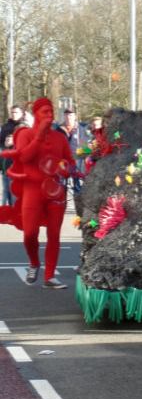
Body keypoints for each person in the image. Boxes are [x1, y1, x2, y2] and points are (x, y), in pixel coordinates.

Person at [0, 98, 74, 289]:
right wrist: (39, 136)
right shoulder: (25, 134)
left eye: (51, 112)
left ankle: (49, 276)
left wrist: (65, 167)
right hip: (32, 190)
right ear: (36, 114)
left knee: (54, 235)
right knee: (30, 233)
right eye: (44, 112)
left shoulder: (60, 138)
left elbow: (70, 161)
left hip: (55, 191)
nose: (49, 116)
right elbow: (24, 157)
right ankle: (34, 263)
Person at [0, 105, 24, 206]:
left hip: (19, 164)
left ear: (21, 113)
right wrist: (5, 144)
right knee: (6, 191)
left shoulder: (25, 126)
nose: (14, 114)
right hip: (6, 164)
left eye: (16, 112)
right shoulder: (6, 127)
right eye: (13, 112)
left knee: (16, 192)